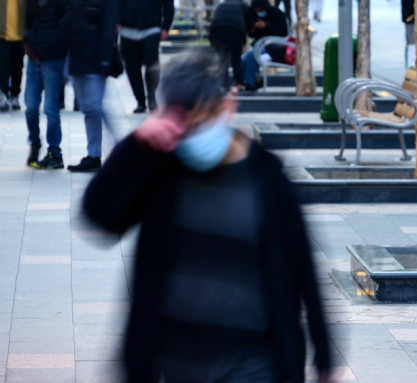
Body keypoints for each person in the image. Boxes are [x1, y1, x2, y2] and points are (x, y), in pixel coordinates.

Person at [82, 50, 332, 383]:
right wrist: (135, 146)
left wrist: (324, 355)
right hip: (174, 364)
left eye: (199, 121)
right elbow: (100, 217)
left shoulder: (267, 180)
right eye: (182, 124)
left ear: (228, 104)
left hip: (253, 363)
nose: (191, 134)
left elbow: (302, 269)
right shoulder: (163, 171)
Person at [67, 0, 119, 172]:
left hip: (96, 61)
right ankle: (93, 155)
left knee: (94, 106)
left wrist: (105, 60)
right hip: (77, 59)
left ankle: (119, 146)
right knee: (88, 110)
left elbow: (109, 28)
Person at [24, 0, 69, 169]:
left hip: (53, 57)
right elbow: (25, 18)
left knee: (51, 108)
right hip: (34, 56)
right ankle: (35, 144)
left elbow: (67, 17)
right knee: (30, 107)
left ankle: (55, 152)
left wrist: (56, 40)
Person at [119, 0, 174, 113]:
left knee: (152, 63)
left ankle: (152, 97)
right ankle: (140, 101)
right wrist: (114, 21)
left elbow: (168, 5)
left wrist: (166, 27)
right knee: (132, 68)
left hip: (152, 27)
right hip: (127, 29)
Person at [241, 0, 288, 91]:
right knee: (243, 59)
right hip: (260, 47)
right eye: (257, 10)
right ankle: (246, 82)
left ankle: (249, 83)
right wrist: (253, 29)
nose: (259, 12)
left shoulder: (276, 14)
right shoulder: (252, 15)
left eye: (261, 10)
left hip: (273, 50)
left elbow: (283, 32)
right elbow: (251, 33)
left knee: (252, 55)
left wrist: (266, 27)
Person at [210, 0, 248, 91]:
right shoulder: (243, 5)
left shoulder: (221, 6)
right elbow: (249, 21)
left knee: (223, 60)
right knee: (236, 59)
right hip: (234, 31)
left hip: (217, 32)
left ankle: (223, 85)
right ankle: (239, 83)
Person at [0, 0, 26, 112]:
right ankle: (4, 95)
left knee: (18, 67)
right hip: (2, 35)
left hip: (20, 35)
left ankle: (15, 95)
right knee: (3, 67)